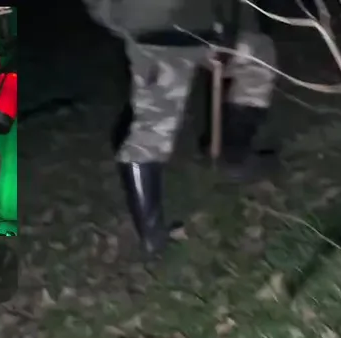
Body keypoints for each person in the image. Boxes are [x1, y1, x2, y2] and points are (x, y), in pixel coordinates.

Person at [83, 0, 277, 256]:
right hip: (158, 28)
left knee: (258, 57)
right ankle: (152, 234)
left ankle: (234, 155)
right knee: (154, 126)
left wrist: (238, 23)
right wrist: (127, 22)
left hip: (209, 24)